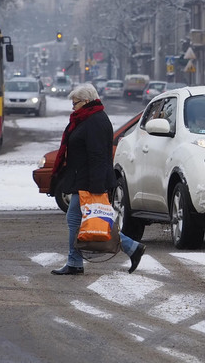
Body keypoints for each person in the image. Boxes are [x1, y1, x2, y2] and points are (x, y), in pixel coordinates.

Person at [50, 83, 146, 276]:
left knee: (80, 219)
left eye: (75, 103)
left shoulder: (94, 121)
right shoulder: (87, 119)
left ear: (86, 101)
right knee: (94, 220)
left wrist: (96, 187)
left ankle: (75, 262)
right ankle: (131, 248)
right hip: (83, 179)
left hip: (89, 182)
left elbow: (98, 156)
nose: (73, 107)